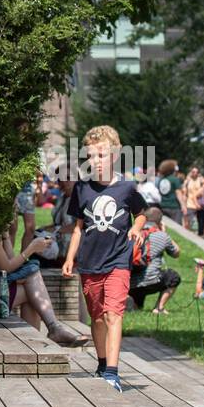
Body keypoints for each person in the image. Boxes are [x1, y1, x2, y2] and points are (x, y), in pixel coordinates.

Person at [62, 125, 149, 391]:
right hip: (89, 263)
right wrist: (69, 258)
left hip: (118, 262)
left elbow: (142, 212)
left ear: (114, 155)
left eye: (101, 155)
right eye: (91, 156)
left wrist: (136, 227)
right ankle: (101, 364)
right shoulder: (82, 189)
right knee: (97, 318)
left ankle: (112, 371)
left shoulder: (126, 188)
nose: (96, 161)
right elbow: (78, 227)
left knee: (114, 314)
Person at [0, 224, 90, 346]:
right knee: (32, 292)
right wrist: (31, 248)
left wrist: (5, 234)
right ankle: (43, 338)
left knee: (32, 289)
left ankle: (48, 333)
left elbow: (10, 260)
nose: (14, 215)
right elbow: (6, 267)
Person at [129, 207, 182, 313]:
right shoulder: (162, 235)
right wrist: (165, 233)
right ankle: (159, 307)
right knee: (174, 277)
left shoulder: (133, 233)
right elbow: (176, 253)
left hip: (131, 285)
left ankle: (134, 305)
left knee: (139, 307)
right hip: (153, 282)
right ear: (160, 222)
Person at [156, 159, 184, 226]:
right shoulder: (175, 179)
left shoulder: (161, 180)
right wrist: (183, 205)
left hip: (163, 206)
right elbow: (178, 193)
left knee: (166, 226)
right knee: (177, 227)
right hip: (174, 207)